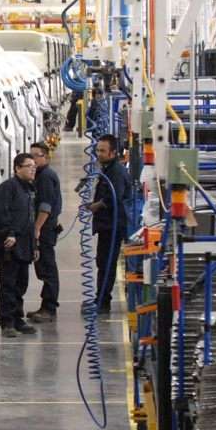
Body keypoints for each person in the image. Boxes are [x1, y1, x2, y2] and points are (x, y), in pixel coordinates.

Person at [0, 154, 39, 338]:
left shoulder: (28, 189)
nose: (33, 169)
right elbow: (1, 215)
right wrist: (9, 234)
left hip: (25, 245)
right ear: (17, 168)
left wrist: (34, 245)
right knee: (8, 285)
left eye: (34, 166)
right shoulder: (7, 189)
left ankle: (18, 318)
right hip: (10, 246)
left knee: (21, 285)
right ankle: (7, 322)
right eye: (28, 166)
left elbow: (30, 219)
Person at [87, 134, 134, 314]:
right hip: (106, 224)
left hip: (113, 225)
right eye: (97, 150)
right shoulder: (108, 168)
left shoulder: (116, 172)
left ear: (113, 153)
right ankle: (101, 298)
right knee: (102, 261)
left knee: (106, 263)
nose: (98, 154)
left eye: (102, 151)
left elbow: (113, 197)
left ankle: (103, 302)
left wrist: (94, 206)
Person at [28, 142, 62, 323]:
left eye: (36, 156)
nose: (32, 159)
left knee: (48, 267)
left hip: (45, 230)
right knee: (43, 267)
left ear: (46, 157)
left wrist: (37, 229)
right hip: (44, 228)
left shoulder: (46, 177)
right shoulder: (39, 175)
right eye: (30, 155)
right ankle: (45, 306)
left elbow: (45, 207)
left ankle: (49, 308)